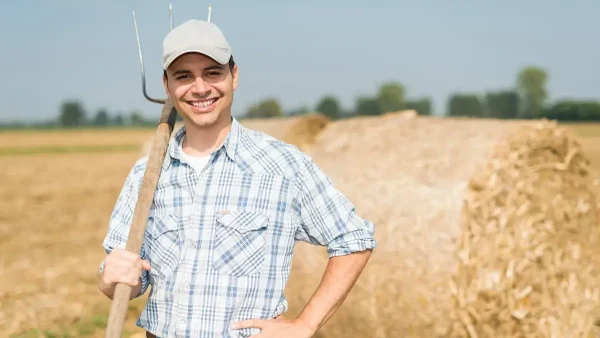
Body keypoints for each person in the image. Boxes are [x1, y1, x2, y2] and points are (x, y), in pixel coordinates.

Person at [98, 17, 376, 338]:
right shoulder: (146, 175)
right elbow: (127, 283)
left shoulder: (281, 166)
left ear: (235, 76)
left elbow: (354, 239)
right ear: (167, 86)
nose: (200, 88)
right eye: (184, 76)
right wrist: (110, 279)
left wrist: (305, 324)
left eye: (212, 73)